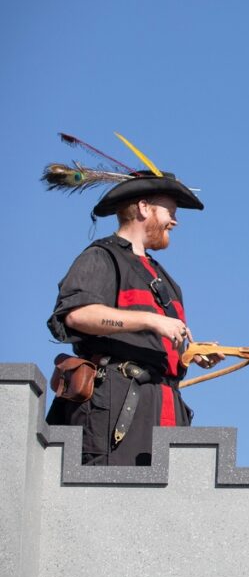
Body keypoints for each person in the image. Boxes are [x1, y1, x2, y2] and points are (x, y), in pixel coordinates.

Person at [45, 171, 223, 466]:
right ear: (143, 207)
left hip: (163, 407)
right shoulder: (101, 257)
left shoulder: (165, 279)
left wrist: (193, 354)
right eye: (170, 211)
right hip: (115, 404)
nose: (175, 221)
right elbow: (78, 315)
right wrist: (151, 320)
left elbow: (158, 344)